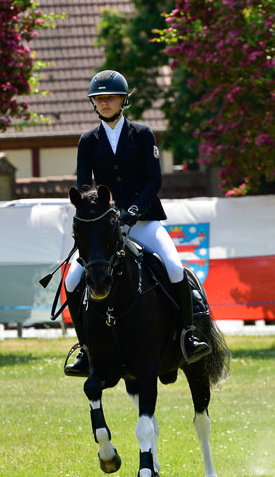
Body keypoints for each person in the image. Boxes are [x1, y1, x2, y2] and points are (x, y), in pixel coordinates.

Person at [64, 69, 210, 376]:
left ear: (123, 100)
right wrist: (102, 213)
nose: (104, 103)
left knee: (173, 266)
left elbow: (153, 179)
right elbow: (84, 185)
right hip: (105, 230)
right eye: (99, 99)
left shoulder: (143, 135)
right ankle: (85, 350)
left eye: (110, 98)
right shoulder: (87, 141)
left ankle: (189, 335)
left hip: (144, 221)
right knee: (72, 281)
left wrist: (132, 210)